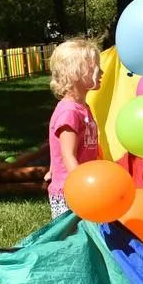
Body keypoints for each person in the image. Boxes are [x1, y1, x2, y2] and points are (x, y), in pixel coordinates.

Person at [44, 39, 102, 219]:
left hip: (81, 187)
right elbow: (68, 154)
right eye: (95, 68)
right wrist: (83, 185)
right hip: (71, 191)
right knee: (72, 238)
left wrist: (52, 168)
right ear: (75, 72)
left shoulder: (82, 107)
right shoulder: (69, 111)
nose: (101, 71)